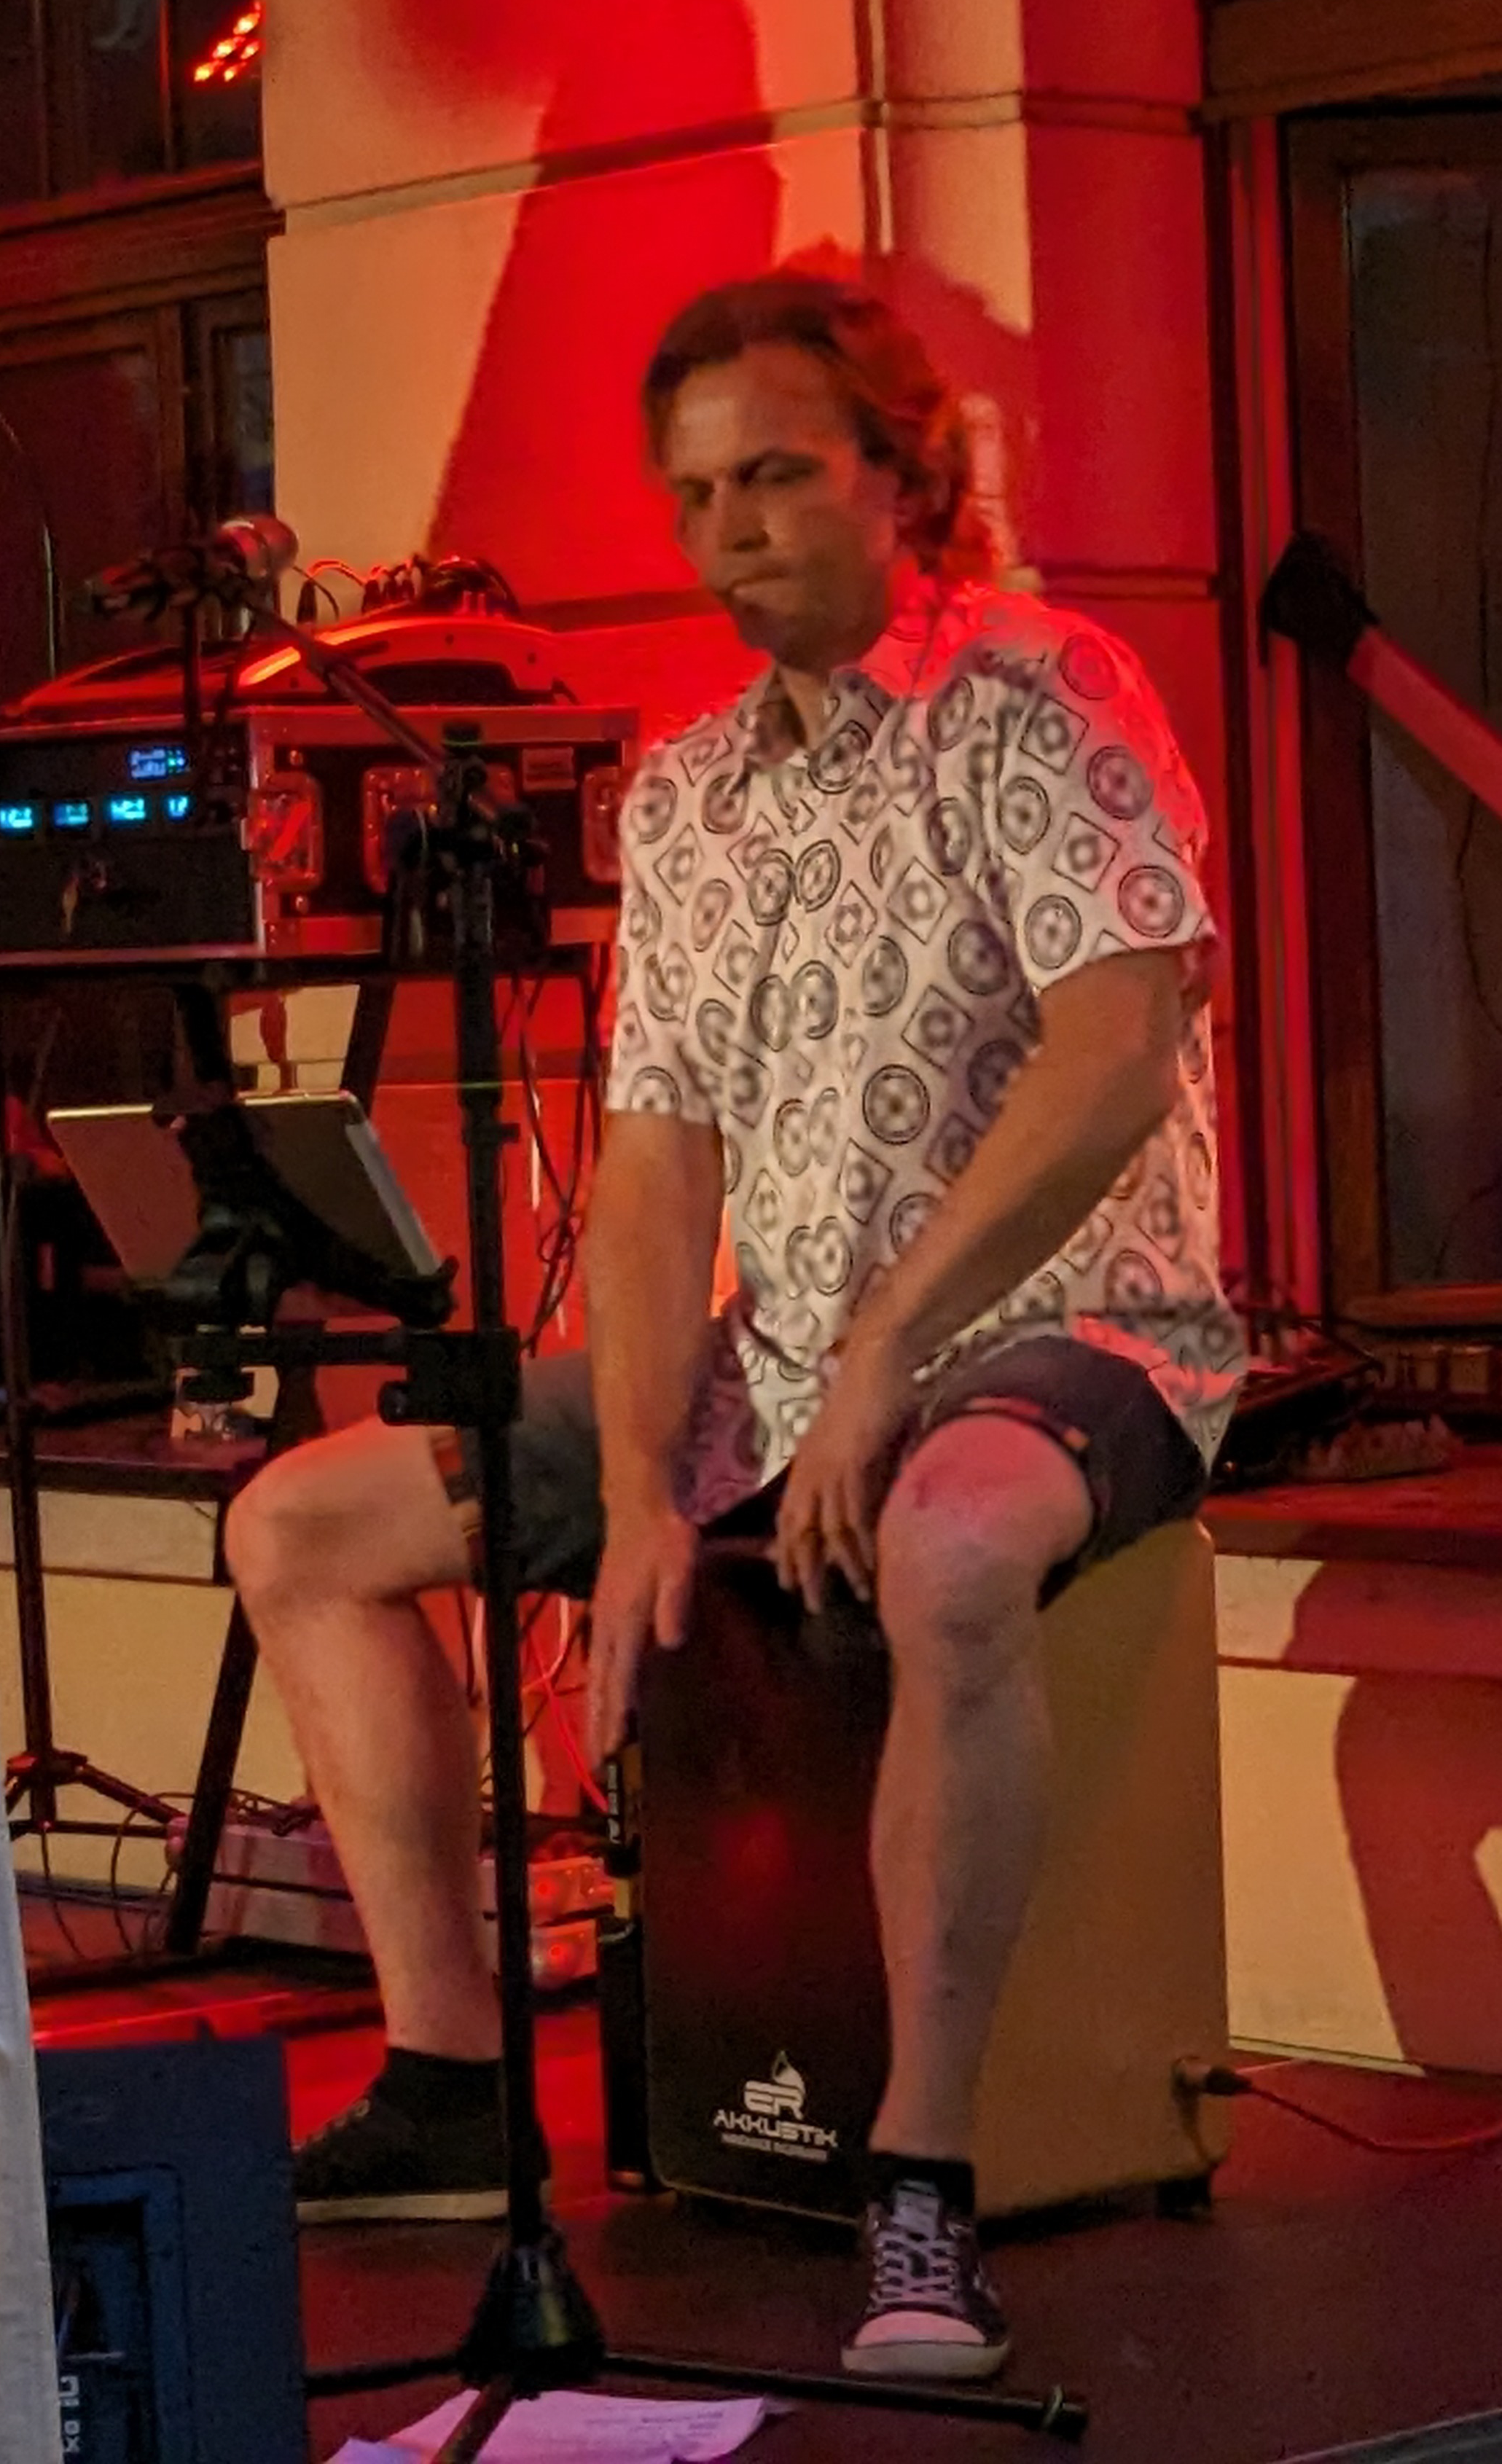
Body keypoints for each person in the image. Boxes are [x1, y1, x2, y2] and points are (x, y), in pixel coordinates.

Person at [224, 274, 1243, 2380]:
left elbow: (1114, 1057)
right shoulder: (689, 789)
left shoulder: (1043, 691)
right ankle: (449, 2079)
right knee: (299, 1529)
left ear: (903, 475)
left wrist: (886, 1353)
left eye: (775, 474)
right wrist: (633, 1490)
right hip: (776, 1365)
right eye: (695, 494)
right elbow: (658, 1153)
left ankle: (921, 2183)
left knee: (951, 1544)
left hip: (1075, 1332)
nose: (729, 530)